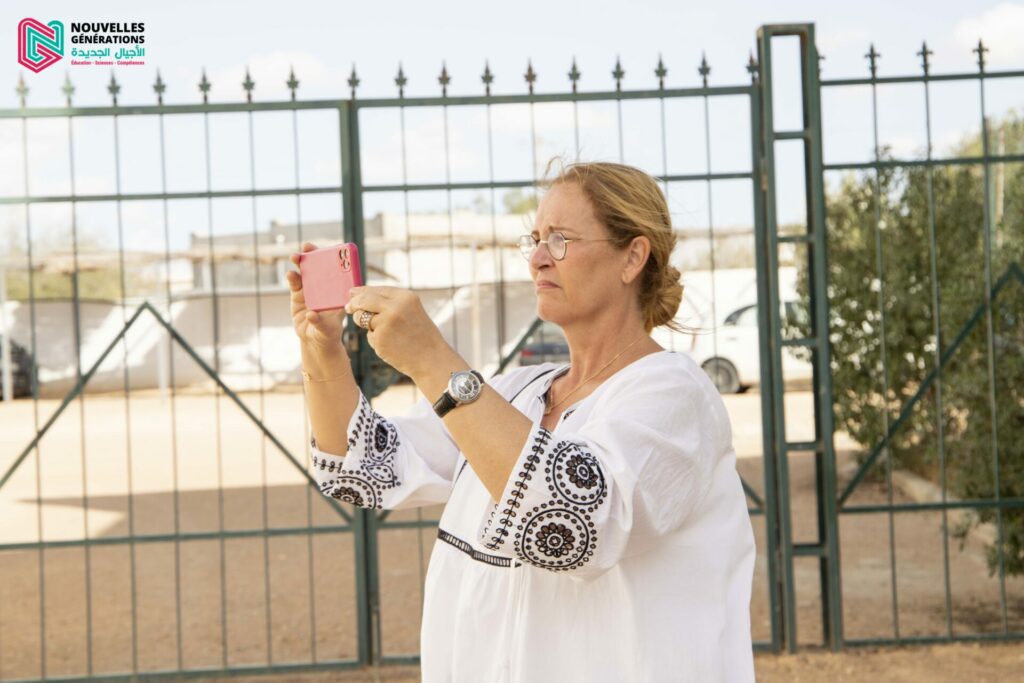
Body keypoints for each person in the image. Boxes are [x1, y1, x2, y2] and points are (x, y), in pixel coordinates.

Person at [287, 159, 756, 682]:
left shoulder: (675, 394)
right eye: (533, 239)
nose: (536, 258)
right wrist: (322, 350)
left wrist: (433, 362)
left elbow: (573, 523)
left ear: (632, 257)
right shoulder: (518, 392)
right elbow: (363, 471)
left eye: (559, 240)